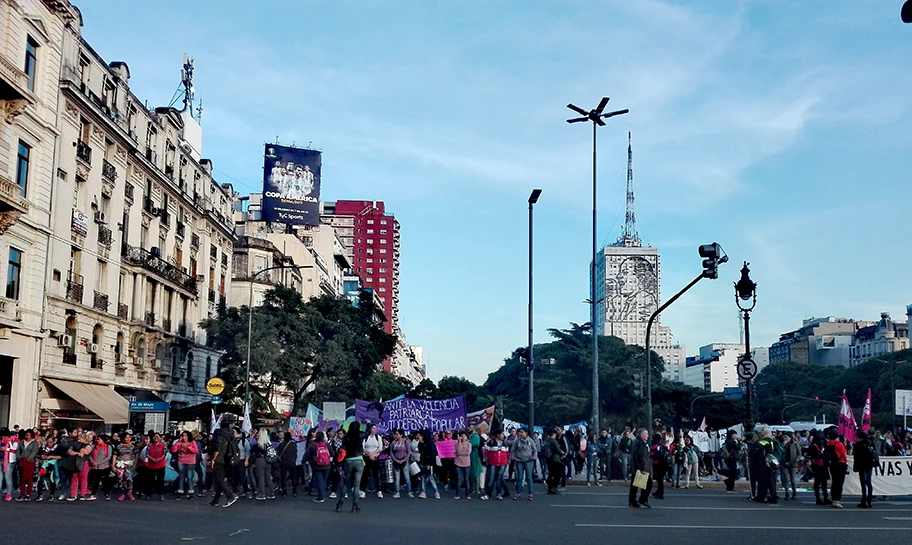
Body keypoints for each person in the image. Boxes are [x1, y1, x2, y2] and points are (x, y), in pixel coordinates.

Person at [336, 421, 365, 513]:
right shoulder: (360, 436)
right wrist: (367, 422)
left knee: (345, 483)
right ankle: (355, 506)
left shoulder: (346, 437)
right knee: (357, 485)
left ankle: (340, 504)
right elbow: (368, 431)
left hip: (348, 461)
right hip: (359, 460)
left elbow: (342, 449)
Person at [209, 422, 239, 508]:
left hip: (220, 459)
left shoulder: (220, 436)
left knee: (219, 480)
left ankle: (230, 496)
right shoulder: (231, 436)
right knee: (221, 479)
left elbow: (217, 448)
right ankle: (216, 500)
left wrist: (213, 459)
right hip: (228, 459)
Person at [301, 431, 331, 503]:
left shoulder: (313, 445)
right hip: (327, 465)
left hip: (317, 465)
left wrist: (303, 461)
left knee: (319, 481)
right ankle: (322, 493)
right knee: (324, 480)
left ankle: (321, 496)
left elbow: (306, 455)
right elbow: (332, 453)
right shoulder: (326, 444)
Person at [853, 430, 878, 509]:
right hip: (869, 465)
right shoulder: (869, 443)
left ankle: (864, 500)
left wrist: (855, 467)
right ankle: (869, 500)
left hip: (862, 465)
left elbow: (856, 458)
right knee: (869, 482)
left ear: (860, 438)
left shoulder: (858, 446)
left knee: (863, 483)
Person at [482, 430, 509, 500]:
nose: (503, 436)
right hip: (492, 463)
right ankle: (488, 493)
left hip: (502, 463)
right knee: (491, 478)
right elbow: (486, 452)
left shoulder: (505, 443)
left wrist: (507, 461)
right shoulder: (491, 442)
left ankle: (498, 493)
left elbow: (507, 453)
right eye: (502, 434)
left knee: (499, 479)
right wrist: (486, 461)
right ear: (498, 434)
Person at [510, 427, 536, 501]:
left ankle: (530, 494)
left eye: (522, 432)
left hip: (528, 461)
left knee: (529, 478)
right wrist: (513, 458)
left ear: (526, 433)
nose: (520, 434)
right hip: (519, 460)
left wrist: (533, 457)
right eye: (519, 432)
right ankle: (518, 493)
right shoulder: (517, 441)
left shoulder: (530, 440)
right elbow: (513, 450)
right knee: (519, 477)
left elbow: (535, 450)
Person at [628, 428, 652, 508]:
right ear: (642, 435)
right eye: (646, 434)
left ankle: (632, 500)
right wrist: (642, 469)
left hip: (637, 467)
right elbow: (640, 456)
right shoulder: (640, 443)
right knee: (648, 484)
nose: (648, 436)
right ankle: (643, 500)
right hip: (641, 468)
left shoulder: (638, 442)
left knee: (635, 485)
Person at [172, 431, 199, 499]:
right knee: (181, 476)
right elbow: (173, 450)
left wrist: (188, 447)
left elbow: (196, 451)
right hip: (181, 461)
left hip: (190, 461)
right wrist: (178, 443)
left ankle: (190, 493)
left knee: (189, 477)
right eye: (183, 436)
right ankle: (180, 492)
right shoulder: (179, 443)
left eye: (186, 436)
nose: (184, 437)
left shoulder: (192, 442)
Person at [825, 427, 848, 509]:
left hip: (832, 465)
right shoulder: (839, 444)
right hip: (840, 465)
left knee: (834, 482)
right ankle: (837, 500)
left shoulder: (828, 444)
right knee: (839, 483)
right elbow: (844, 456)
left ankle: (833, 499)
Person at [87, 433, 113, 500]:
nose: (97, 440)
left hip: (104, 466)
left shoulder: (108, 446)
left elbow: (108, 457)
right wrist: (93, 462)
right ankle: (93, 494)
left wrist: (99, 463)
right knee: (96, 481)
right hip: (96, 467)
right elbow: (90, 455)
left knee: (105, 481)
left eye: (99, 439)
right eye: (97, 439)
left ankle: (106, 494)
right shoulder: (95, 446)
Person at [361, 424, 384, 499]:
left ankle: (379, 491)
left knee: (376, 474)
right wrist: (368, 454)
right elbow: (363, 447)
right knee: (365, 475)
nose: (374, 430)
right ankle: (363, 491)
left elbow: (380, 447)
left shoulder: (378, 437)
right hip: (367, 458)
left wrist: (373, 454)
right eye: (373, 428)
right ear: (370, 429)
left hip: (375, 458)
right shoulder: (366, 437)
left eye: (375, 428)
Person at [807, 430, 830, 505]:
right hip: (817, 465)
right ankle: (818, 498)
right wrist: (821, 455)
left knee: (824, 482)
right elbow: (812, 455)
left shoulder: (824, 445)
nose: (821, 440)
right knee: (818, 482)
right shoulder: (813, 446)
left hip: (824, 464)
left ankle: (825, 497)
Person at [15, 429, 39, 501]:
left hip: (30, 462)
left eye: (29, 435)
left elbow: (34, 452)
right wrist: (20, 458)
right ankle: (22, 494)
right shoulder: (21, 442)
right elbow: (18, 451)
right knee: (22, 478)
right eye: (26, 435)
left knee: (29, 478)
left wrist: (28, 459)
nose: (27, 437)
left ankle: (28, 494)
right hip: (22, 461)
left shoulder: (34, 443)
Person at [388, 429, 412, 498]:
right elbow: (391, 452)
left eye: (397, 434)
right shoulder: (393, 443)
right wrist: (395, 460)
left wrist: (404, 460)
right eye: (395, 434)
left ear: (401, 435)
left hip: (404, 462)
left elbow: (408, 452)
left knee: (407, 477)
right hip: (396, 462)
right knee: (397, 478)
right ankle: (397, 492)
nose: (395, 436)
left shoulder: (405, 442)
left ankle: (409, 491)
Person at [417, 429, 440, 499]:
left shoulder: (430, 443)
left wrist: (429, 464)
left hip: (428, 463)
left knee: (430, 477)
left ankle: (436, 491)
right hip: (423, 462)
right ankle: (423, 492)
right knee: (423, 477)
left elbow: (432, 454)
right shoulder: (421, 443)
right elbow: (420, 451)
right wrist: (420, 443)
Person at [145, 432, 167, 501]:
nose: (156, 438)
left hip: (161, 465)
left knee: (160, 480)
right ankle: (148, 494)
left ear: (160, 438)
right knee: (149, 481)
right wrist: (153, 459)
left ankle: (161, 494)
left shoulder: (163, 445)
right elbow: (147, 454)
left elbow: (165, 453)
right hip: (151, 465)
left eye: (157, 437)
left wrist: (159, 459)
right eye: (154, 436)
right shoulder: (150, 445)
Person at [276, 431, 298, 497]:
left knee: (283, 477)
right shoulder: (293, 444)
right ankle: (294, 491)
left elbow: (278, 452)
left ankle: (284, 491)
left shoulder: (281, 444)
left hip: (283, 462)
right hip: (292, 462)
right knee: (293, 476)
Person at [543, 428, 564, 495]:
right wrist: (562, 452)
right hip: (555, 459)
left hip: (548, 459)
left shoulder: (546, 441)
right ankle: (554, 486)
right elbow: (558, 449)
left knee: (550, 473)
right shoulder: (553, 441)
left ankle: (550, 488)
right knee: (558, 473)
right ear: (553, 434)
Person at [780, 433, 800, 500]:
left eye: (786, 437)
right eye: (784, 437)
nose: (785, 439)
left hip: (793, 464)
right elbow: (781, 453)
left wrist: (795, 460)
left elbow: (799, 454)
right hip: (784, 464)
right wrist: (783, 445)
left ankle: (794, 493)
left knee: (792, 479)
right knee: (786, 479)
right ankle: (787, 493)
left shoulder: (795, 444)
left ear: (790, 437)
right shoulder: (782, 445)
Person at [649, 432, 668, 500]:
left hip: (658, 464)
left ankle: (660, 493)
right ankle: (658, 491)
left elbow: (651, 455)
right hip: (665, 464)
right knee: (660, 479)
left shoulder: (654, 446)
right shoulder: (663, 446)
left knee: (659, 479)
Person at [0, 427, 17, 501]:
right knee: (0, 478)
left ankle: (9, 494)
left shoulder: (14, 440)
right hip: (1, 459)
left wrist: (6, 449)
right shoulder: (0, 440)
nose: (3, 437)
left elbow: (14, 450)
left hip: (9, 460)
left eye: (5, 435)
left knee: (8, 477)